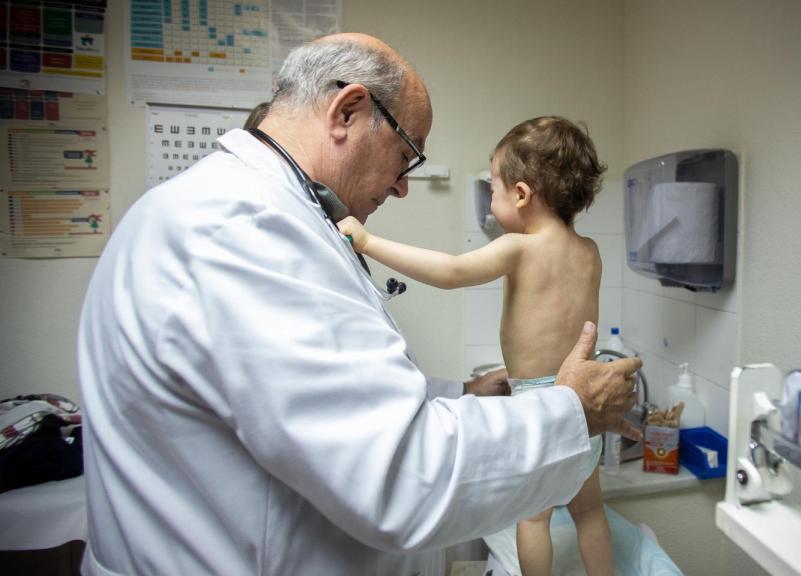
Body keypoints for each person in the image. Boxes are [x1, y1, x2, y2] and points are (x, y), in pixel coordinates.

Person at [76, 32, 641, 576]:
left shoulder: (263, 218)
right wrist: (572, 411)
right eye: (407, 154)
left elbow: (324, 398)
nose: (401, 187)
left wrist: (460, 393)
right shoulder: (244, 231)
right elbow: (399, 481)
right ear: (347, 111)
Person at [338, 116, 614, 576]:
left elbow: (450, 271)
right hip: (582, 398)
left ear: (522, 194)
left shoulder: (519, 248)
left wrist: (367, 241)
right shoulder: (589, 251)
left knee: (534, 515)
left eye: (493, 187)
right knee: (590, 511)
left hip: (542, 404)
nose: (492, 197)